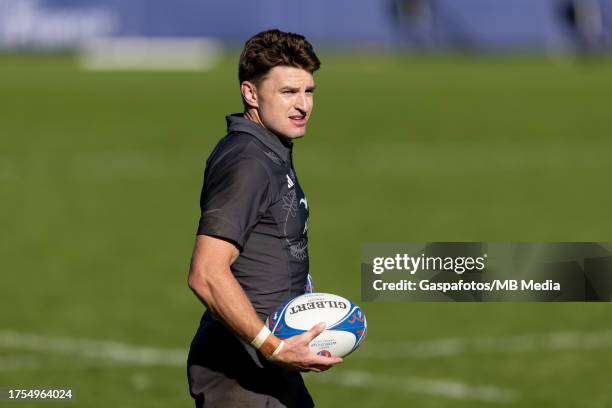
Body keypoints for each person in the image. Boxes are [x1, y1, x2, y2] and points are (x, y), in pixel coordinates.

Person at [187, 29, 342, 408]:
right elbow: (206, 273)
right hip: (241, 374)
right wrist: (272, 347)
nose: (303, 105)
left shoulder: (268, 149)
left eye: (309, 91)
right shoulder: (249, 163)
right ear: (251, 94)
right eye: (288, 92)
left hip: (267, 367)